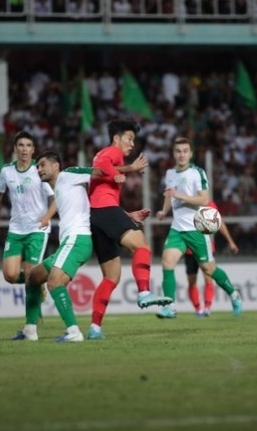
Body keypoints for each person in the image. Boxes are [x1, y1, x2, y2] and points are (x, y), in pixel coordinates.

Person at [87, 119, 172, 340]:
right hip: (103, 211)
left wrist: (127, 215)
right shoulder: (112, 152)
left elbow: (100, 187)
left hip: (97, 215)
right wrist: (129, 168)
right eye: (129, 138)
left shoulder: (105, 153)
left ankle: (95, 328)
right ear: (117, 138)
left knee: (111, 277)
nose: (132, 144)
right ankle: (144, 292)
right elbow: (101, 167)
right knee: (142, 245)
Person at [11, 151, 108, 342]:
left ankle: (74, 332)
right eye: (37, 166)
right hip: (68, 242)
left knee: (54, 282)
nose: (39, 169)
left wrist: (128, 169)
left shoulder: (69, 174)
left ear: (56, 166)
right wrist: (47, 216)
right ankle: (30, 330)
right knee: (32, 277)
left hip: (77, 239)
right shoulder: (59, 187)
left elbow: (98, 171)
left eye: (43, 165)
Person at [155, 137, 242, 319]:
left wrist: (180, 195)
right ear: (174, 153)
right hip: (177, 229)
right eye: (178, 151)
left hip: (196, 229)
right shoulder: (170, 173)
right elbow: (169, 195)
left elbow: (203, 199)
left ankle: (234, 294)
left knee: (209, 270)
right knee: (167, 261)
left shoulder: (197, 173)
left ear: (191, 153)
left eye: (185, 151)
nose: (181, 154)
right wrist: (164, 211)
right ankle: (169, 305)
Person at [0, 131, 56, 330]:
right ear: (15, 148)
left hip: (37, 230)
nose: (24, 149)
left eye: (28, 145)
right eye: (21, 145)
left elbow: (54, 199)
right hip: (16, 230)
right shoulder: (7, 171)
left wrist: (47, 217)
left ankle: (30, 327)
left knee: (29, 277)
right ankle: (40, 282)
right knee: (10, 275)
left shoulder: (39, 170)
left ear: (33, 150)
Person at [183, 202, 239, 317]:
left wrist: (231, 242)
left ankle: (207, 308)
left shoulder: (208, 203)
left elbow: (219, 223)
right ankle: (198, 309)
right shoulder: (184, 202)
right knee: (191, 281)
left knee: (208, 277)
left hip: (206, 247)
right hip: (189, 249)